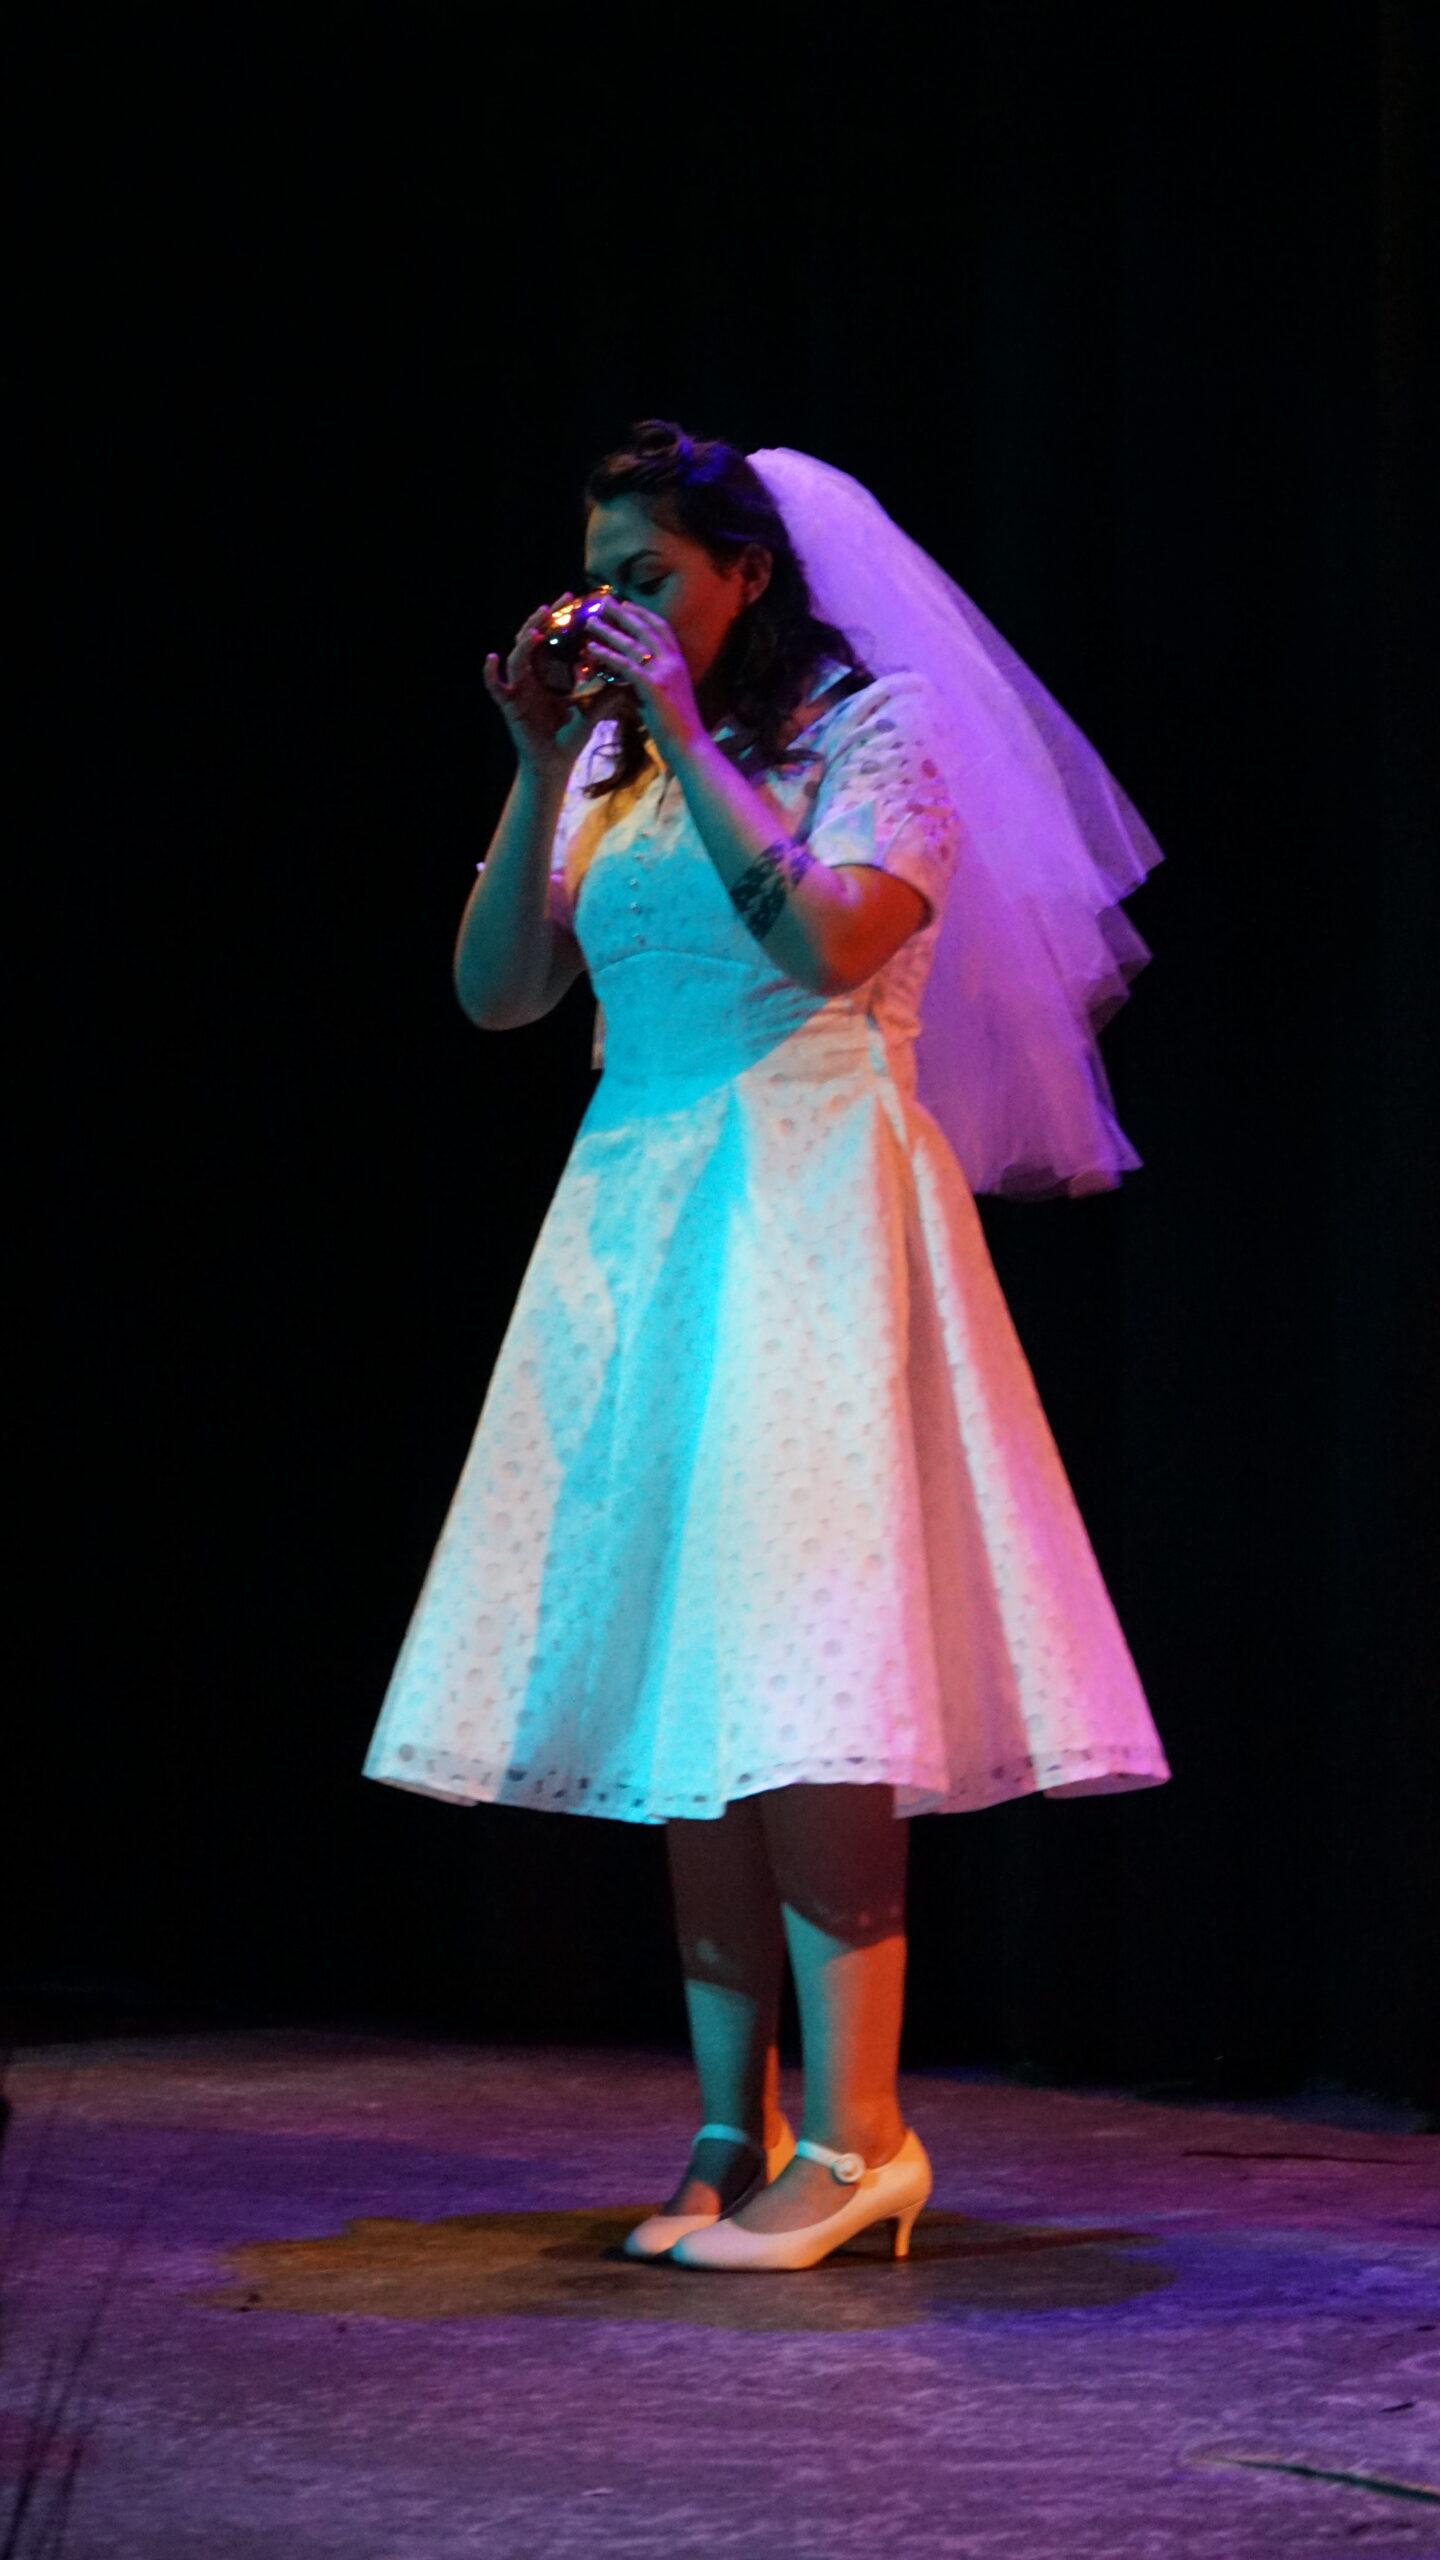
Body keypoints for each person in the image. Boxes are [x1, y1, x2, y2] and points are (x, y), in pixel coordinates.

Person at [361, 418, 1171, 2273]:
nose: (614, 607)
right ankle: (735, 2125)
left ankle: (864, 2137)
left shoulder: (875, 732)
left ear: (743, 575)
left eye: (647, 574)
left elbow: (828, 947)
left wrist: (689, 736)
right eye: (598, 576)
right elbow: (498, 993)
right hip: (637, 1218)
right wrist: (542, 763)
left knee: (812, 1678)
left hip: (808, 1206)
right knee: (692, 1681)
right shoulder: (611, 764)